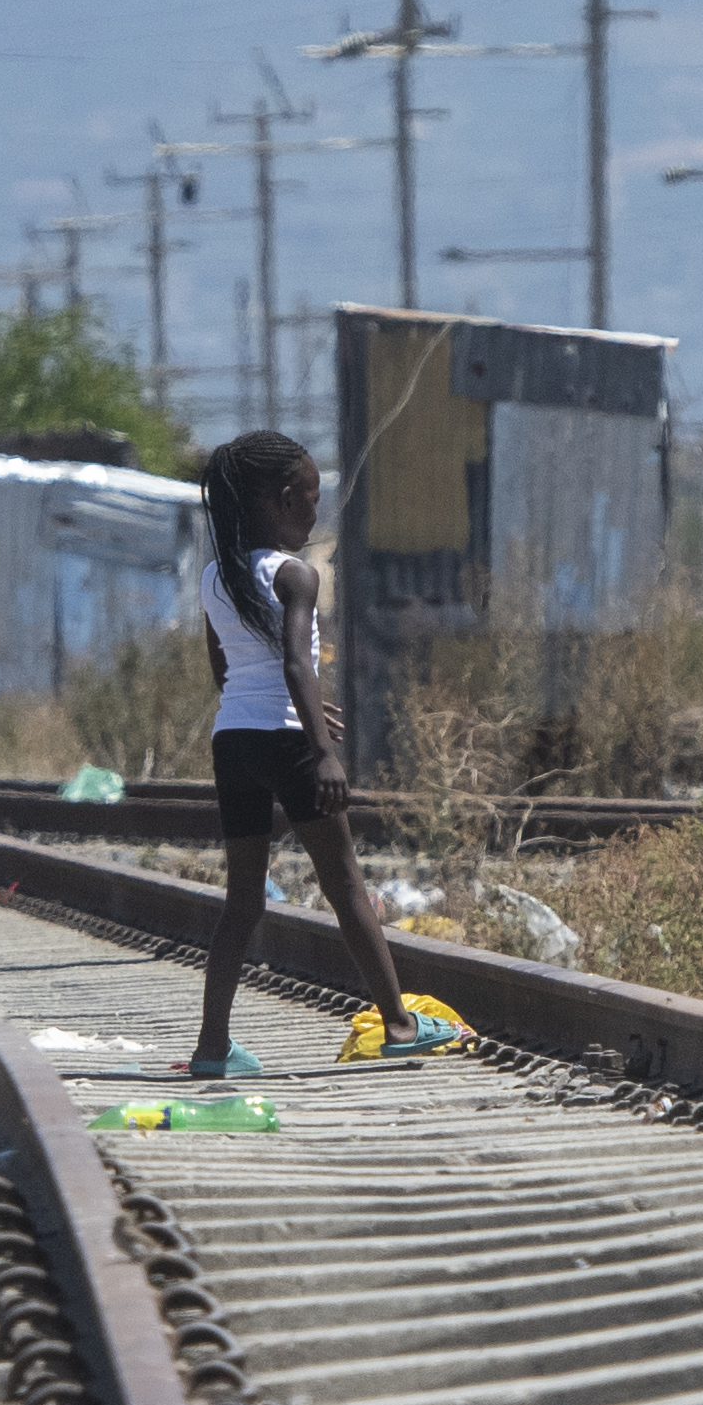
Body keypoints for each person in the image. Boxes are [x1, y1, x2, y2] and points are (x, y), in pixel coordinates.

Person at [185, 429, 466, 1077]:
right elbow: (295, 662)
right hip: (288, 742)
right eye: (312, 497)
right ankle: (399, 1024)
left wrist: (265, 710)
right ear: (285, 499)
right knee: (345, 885)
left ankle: (212, 1047)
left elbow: (224, 671)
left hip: (234, 740)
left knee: (242, 902)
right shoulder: (296, 575)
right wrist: (321, 749)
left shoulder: (214, 578)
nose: (317, 511)